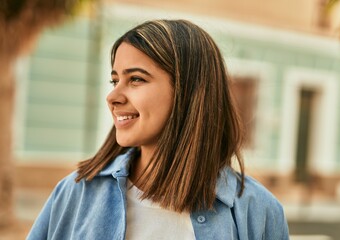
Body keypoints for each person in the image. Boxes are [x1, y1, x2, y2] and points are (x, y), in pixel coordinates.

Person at [27, 19, 289, 240]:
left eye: (136, 79)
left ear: (189, 92)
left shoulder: (258, 212)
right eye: (115, 80)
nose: (113, 96)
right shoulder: (76, 193)